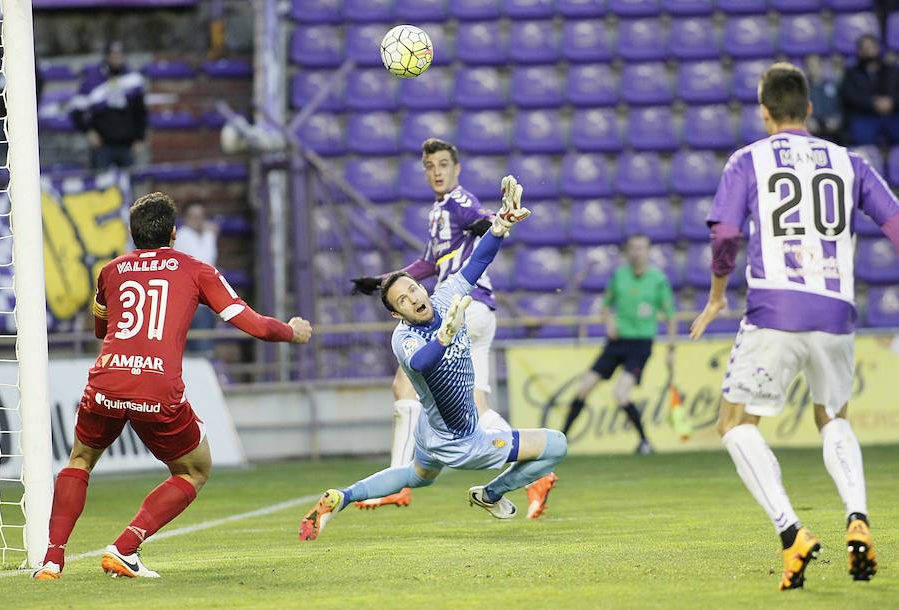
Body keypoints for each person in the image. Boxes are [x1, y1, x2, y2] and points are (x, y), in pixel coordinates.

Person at [691, 62, 899, 591]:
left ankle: (792, 534)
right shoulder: (850, 162)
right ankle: (858, 516)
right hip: (835, 311)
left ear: (764, 112)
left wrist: (717, 296)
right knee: (832, 416)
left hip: (775, 310)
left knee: (735, 424)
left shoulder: (749, 160)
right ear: (809, 108)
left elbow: (726, 236)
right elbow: (894, 222)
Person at [32, 192, 313, 580]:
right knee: (194, 470)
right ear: (174, 233)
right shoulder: (196, 270)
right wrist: (292, 332)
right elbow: (253, 325)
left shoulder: (110, 271)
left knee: (80, 460)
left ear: (132, 235)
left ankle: (51, 560)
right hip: (155, 387)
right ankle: (125, 547)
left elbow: (101, 328)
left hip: (106, 381)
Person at [299, 176, 567, 540]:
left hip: (431, 431)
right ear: (397, 314)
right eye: (402, 301)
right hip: (462, 441)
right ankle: (490, 494)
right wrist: (444, 336)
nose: (412, 298)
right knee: (556, 445)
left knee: (416, 476)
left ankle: (342, 496)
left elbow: (476, 263)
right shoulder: (404, 338)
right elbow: (423, 363)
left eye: (412, 289)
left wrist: (501, 224)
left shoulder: (443, 298)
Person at [349, 138, 557, 513]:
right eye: (431, 166)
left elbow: (477, 222)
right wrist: (381, 281)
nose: (438, 172)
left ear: (456, 169)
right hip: (478, 311)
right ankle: (532, 470)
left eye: (444, 164)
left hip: (458, 308)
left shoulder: (459, 203)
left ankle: (400, 479)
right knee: (475, 405)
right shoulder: (439, 210)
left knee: (404, 384)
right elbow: (426, 265)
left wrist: (492, 224)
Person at [562, 234, 675, 454]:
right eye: (633, 248)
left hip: (640, 344)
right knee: (584, 387)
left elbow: (670, 315)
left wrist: (671, 349)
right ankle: (561, 439)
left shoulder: (658, 279)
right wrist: (609, 322)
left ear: (648, 251)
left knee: (621, 393)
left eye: (641, 248)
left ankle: (644, 442)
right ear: (628, 251)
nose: (637, 252)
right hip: (616, 342)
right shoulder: (619, 275)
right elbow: (605, 306)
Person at [70, 41, 147, 170]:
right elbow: (77, 109)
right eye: (113, 54)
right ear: (106, 56)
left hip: (127, 144)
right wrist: (88, 131)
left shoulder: (133, 80)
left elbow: (140, 111)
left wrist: (139, 138)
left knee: (128, 186)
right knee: (102, 185)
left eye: (119, 54)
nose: (116, 58)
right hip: (102, 145)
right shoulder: (93, 80)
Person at [175, 202, 219, 355]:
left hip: (206, 302)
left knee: (204, 348)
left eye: (201, 217)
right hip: (191, 303)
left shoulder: (205, 236)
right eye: (193, 217)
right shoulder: (182, 237)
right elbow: (204, 262)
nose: (197, 220)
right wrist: (210, 234)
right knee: (201, 350)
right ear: (186, 218)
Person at [840, 34, 899, 146]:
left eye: (871, 47)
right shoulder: (852, 73)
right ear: (860, 52)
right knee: (860, 138)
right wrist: (872, 103)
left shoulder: (893, 70)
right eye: (865, 49)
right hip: (865, 115)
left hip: (893, 114)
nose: (869, 51)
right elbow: (849, 96)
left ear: (877, 48)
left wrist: (891, 102)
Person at [805, 55, 842, 143]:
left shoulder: (832, 86)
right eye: (810, 66)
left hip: (830, 122)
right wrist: (807, 120)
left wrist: (836, 118)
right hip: (812, 123)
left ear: (821, 67)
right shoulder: (803, 88)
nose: (813, 69)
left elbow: (839, 105)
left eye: (816, 65)